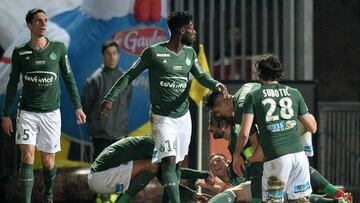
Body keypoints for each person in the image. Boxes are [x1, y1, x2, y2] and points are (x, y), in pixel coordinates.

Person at [100, 11, 228, 203]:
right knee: (168, 162)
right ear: (181, 30)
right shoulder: (153, 53)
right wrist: (110, 97)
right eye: (192, 28)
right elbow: (129, 75)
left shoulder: (190, 53)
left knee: (175, 167)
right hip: (162, 118)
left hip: (183, 118)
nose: (195, 31)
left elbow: (201, 76)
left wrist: (215, 84)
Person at [1, 8, 86, 203]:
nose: (43, 24)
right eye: (38, 21)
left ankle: (48, 194)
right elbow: (12, 83)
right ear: (29, 25)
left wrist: (78, 106)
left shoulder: (58, 48)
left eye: (45, 20)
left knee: (48, 162)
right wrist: (6, 114)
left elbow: (69, 78)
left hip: (51, 114)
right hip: (27, 113)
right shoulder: (20, 52)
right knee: (27, 155)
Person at [233, 54, 316, 202]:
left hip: (276, 156)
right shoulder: (294, 93)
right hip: (299, 155)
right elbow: (312, 128)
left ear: (259, 73)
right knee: (299, 200)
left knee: (272, 201)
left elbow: (244, 133)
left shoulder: (253, 96)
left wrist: (236, 155)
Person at [88, 135, 215, 203]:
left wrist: (193, 194)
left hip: (99, 180)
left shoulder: (156, 144)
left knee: (154, 170)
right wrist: (204, 174)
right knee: (153, 167)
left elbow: (169, 179)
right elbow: (170, 175)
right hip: (101, 176)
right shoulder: (157, 147)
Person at [82, 41, 132, 158]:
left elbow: (127, 102)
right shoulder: (95, 79)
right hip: (101, 136)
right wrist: (99, 123)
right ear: (102, 56)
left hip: (120, 134)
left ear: (118, 55)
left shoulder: (125, 78)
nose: (111, 57)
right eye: (108, 53)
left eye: (114, 53)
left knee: (119, 171)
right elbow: (86, 106)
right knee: (101, 172)